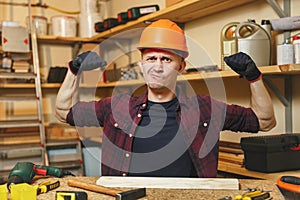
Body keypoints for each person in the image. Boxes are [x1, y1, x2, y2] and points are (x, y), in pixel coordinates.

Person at [55, 19, 276, 178]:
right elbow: (64, 112)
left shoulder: (204, 108)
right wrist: (73, 71)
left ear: (181, 66)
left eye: (166, 59)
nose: (157, 67)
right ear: (141, 66)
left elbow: (265, 121)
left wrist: (253, 77)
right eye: (151, 58)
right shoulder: (117, 107)